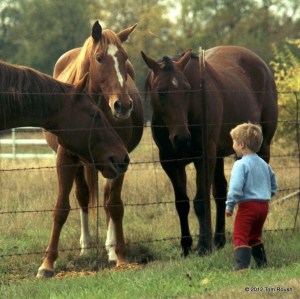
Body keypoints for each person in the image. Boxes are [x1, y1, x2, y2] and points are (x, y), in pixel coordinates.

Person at [225, 123, 277, 271]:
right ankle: (262, 264)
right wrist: (266, 195)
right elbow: (274, 185)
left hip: (247, 207)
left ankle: (242, 267)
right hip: (263, 207)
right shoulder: (264, 164)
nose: (233, 145)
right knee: (254, 235)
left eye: (234, 142)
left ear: (241, 145)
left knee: (240, 235)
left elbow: (235, 188)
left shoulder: (240, 165)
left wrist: (230, 205)